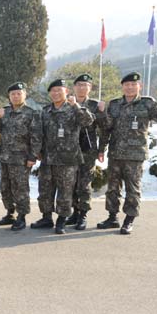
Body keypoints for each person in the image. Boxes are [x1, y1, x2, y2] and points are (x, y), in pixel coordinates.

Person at [96, 72, 157, 234]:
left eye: (133, 84)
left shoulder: (147, 103)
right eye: (126, 85)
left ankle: (129, 219)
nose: (129, 87)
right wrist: (101, 148)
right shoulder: (114, 104)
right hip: (115, 153)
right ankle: (112, 217)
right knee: (113, 188)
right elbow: (107, 128)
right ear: (122, 87)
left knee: (132, 189)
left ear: (139, 86)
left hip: (135, 155)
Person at [32, 79, 94, 234]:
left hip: (68, 159)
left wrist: (76, 106)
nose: (56, 93)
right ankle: (46, 218)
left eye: (59, 90)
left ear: (66, 92)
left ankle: (61, 220)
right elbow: (38, 133)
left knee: (65, 192)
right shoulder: (45, 111)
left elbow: (88, 121)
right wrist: (37, 151)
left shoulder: (74, 109)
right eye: (53, 91)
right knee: (45, 190)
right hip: (48, 158)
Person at [0, 82, 42, 231]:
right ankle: (10, 213)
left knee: (20, 188)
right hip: (5, 157)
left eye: (19, 93)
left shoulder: (31, 113)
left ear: (24, 95)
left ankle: (22, 216)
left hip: (21, 159)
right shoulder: (5, 111)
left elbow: (36, 136)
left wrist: (32, 157)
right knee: (5, 187)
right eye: (13, 94)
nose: (15, 96)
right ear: (9, 96)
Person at [65, 74, 100, 230]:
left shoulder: (95, 105)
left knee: (84, 184)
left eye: (85, 85)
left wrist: (101, 149)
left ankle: (83, 215)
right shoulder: (65, 104)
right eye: (78, 85)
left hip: (87, 150)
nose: (81, 88)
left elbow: (91, 121)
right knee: (71, 183)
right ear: (74, 87)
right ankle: (74, 212)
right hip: (69, 149)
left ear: (90, 88)